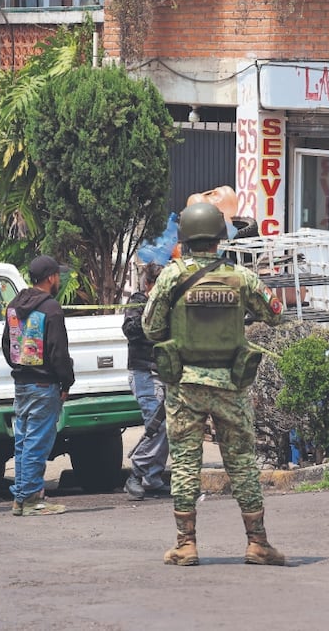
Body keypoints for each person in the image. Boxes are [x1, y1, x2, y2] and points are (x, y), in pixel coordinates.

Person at [142, 202, 286, 567]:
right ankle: (258, 543)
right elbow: (276, 314)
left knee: (187, 463)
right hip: (231, 384)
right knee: (241, 463)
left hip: (184, 384)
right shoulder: (240, 277)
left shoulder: (172, 276)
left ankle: (185, 545)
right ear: (220, 238)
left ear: (185, 238)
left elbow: (150, 327)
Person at [2, 255, 75, 517]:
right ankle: (31, 499)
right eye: (58, 276)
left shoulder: (13, 305)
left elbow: (6, 346)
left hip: (21, 383)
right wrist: (67, 381)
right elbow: (58, 353)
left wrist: (20, 367)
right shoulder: (51, 308)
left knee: (23, 442)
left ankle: (21, 498)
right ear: (51, 277)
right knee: (37, 443)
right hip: (45, 384)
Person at [122, 262, 170, 501]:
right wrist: (152, 313)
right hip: (145, 373)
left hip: (164, 372)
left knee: (166, 426)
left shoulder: (166, 304)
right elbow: (131, 329)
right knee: (157, 426)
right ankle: (137, 472)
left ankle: (153, 478)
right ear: (150, 284)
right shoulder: (138, 301)